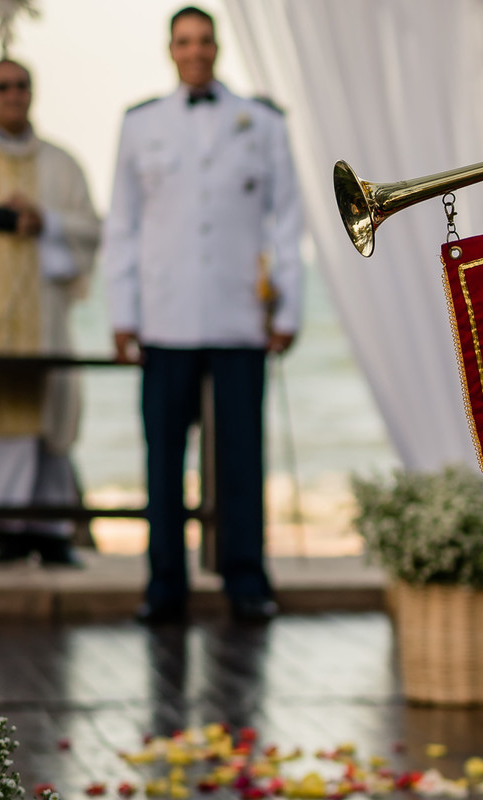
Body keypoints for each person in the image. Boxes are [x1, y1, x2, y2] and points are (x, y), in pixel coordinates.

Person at [102, 5, 304, 624]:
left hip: (239, 314)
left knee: (242, 456)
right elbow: (124, 224)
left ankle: (247, 580)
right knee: (163, 456)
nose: (195, 51)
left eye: (204, 41)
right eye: (184, 41)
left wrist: (287, 306)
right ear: (171, 49)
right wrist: (121, 310)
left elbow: (286, 218)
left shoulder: (262, 122)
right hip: (165, 317)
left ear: (216, 48)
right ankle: (164, 583)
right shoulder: (141, 124)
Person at [0, 58, 100, 567]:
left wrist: (45, 222)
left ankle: (49, 529)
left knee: (48, 424)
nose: (12, 95)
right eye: (2, 87)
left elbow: (91, 229)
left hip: (45, 320)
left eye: (21, 85)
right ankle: (5, 529)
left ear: (33, 91)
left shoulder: (61, 164)